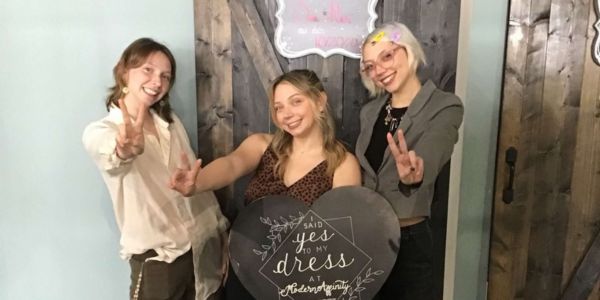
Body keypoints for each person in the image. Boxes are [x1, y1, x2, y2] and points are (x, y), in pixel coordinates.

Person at [169, 69, 362, 299]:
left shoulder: (342, 163)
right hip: (248, 273)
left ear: (320, 101)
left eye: (296, 102)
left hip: (302, 285)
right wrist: (196, 183)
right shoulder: (262, 145)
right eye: (279, 107)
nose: (286, 114)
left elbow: (340, 239)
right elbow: (231, 165)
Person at [82, 38, 228, 300]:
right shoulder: (102, 131)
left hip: (201, 251)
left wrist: (219, 235)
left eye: (165, 75)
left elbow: (195, 188)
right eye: (147, 70)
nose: (157, 81)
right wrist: (124, 149)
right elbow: (110, 151)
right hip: (159, 260)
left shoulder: (171, 124)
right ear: (124, 71)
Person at [355, 22, 464, 299]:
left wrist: (416, 171)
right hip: (366, 237)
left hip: (408, 241)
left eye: (387, 56)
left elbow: (435, 148)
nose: (379, 70)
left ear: (409, 51)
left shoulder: (444, 106)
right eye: (370, 65)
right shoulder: (370, 112)